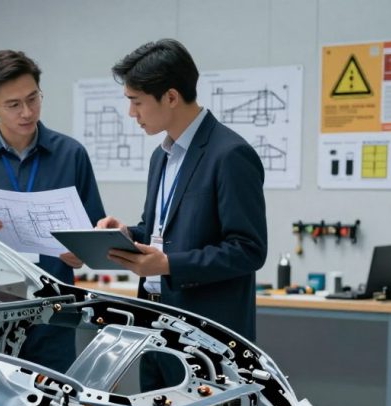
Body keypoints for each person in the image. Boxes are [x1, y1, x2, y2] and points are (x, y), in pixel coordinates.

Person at [97, 39, 267, 387]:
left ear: (171, 97)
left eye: (136, 101)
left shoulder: (230, 154)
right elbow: (162, 232)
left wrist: (169, 265)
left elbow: (249, 249)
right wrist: (128, 234)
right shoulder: (161, 156)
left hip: (207, 337)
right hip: (154, 323)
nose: (131, 113)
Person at [0, 49, 105, 373]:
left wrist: (82, 250)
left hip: (53, 311)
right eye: (13, 104)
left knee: (52, 398)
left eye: (33, 99)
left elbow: (95, 233)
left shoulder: (71, 154)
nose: (27, 112)